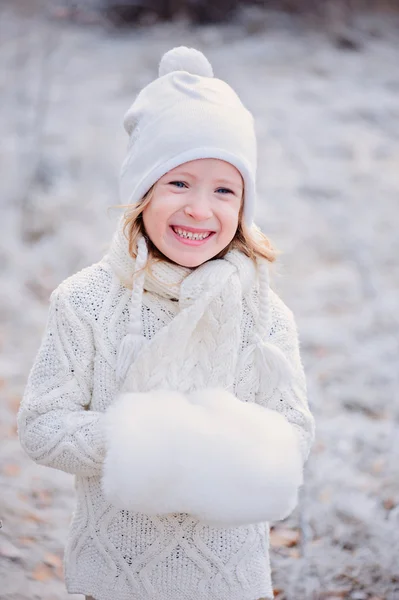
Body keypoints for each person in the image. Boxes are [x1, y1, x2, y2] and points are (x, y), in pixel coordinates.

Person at [17, 46, 315, 600]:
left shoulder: (264, 312)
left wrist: (231, 446)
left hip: (230, 579)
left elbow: (295, 428)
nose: (201, 209)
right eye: (179, 183)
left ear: (245, 206)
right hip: (116, 577)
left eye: (224, 189)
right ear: (141, 192)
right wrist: (146, 445)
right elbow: (42, 425)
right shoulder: (85, 300)